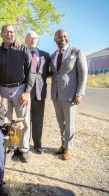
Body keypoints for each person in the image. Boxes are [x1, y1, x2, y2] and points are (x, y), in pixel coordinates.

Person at [0, 24, 33, 163]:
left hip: (20, 89)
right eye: (7, 32)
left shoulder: (22, 49)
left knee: (23, 120)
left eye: (12, 32)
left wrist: (27, 92)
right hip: (2, 90)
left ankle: (24, 149)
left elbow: (30, 71)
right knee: (6, 121)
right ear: (1, 34)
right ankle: (10, 148)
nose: (10, 34)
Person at [51, 29, 87, 160]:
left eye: (65, 36)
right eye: (59, 37)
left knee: (70, 123)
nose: (63, 38)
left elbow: (83, 73)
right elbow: (54, 73)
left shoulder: (76, 52)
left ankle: (69, 148)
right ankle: (63, 145)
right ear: (55, 39)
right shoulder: (53, 55)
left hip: (70, 94)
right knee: (61, 123)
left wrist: (79, 93)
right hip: (56, 94)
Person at [25, 31, 51, 154]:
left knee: (38, 119)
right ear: (26, 40)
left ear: (38, 40)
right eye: (30, 38)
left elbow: (50, 72)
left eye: (35, 38)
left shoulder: (46, 55)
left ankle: (37, 144)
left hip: (40, 92)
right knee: (24, 119)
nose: (32, 40)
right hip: (25, 92)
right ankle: (23, 144)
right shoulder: (22, 53)